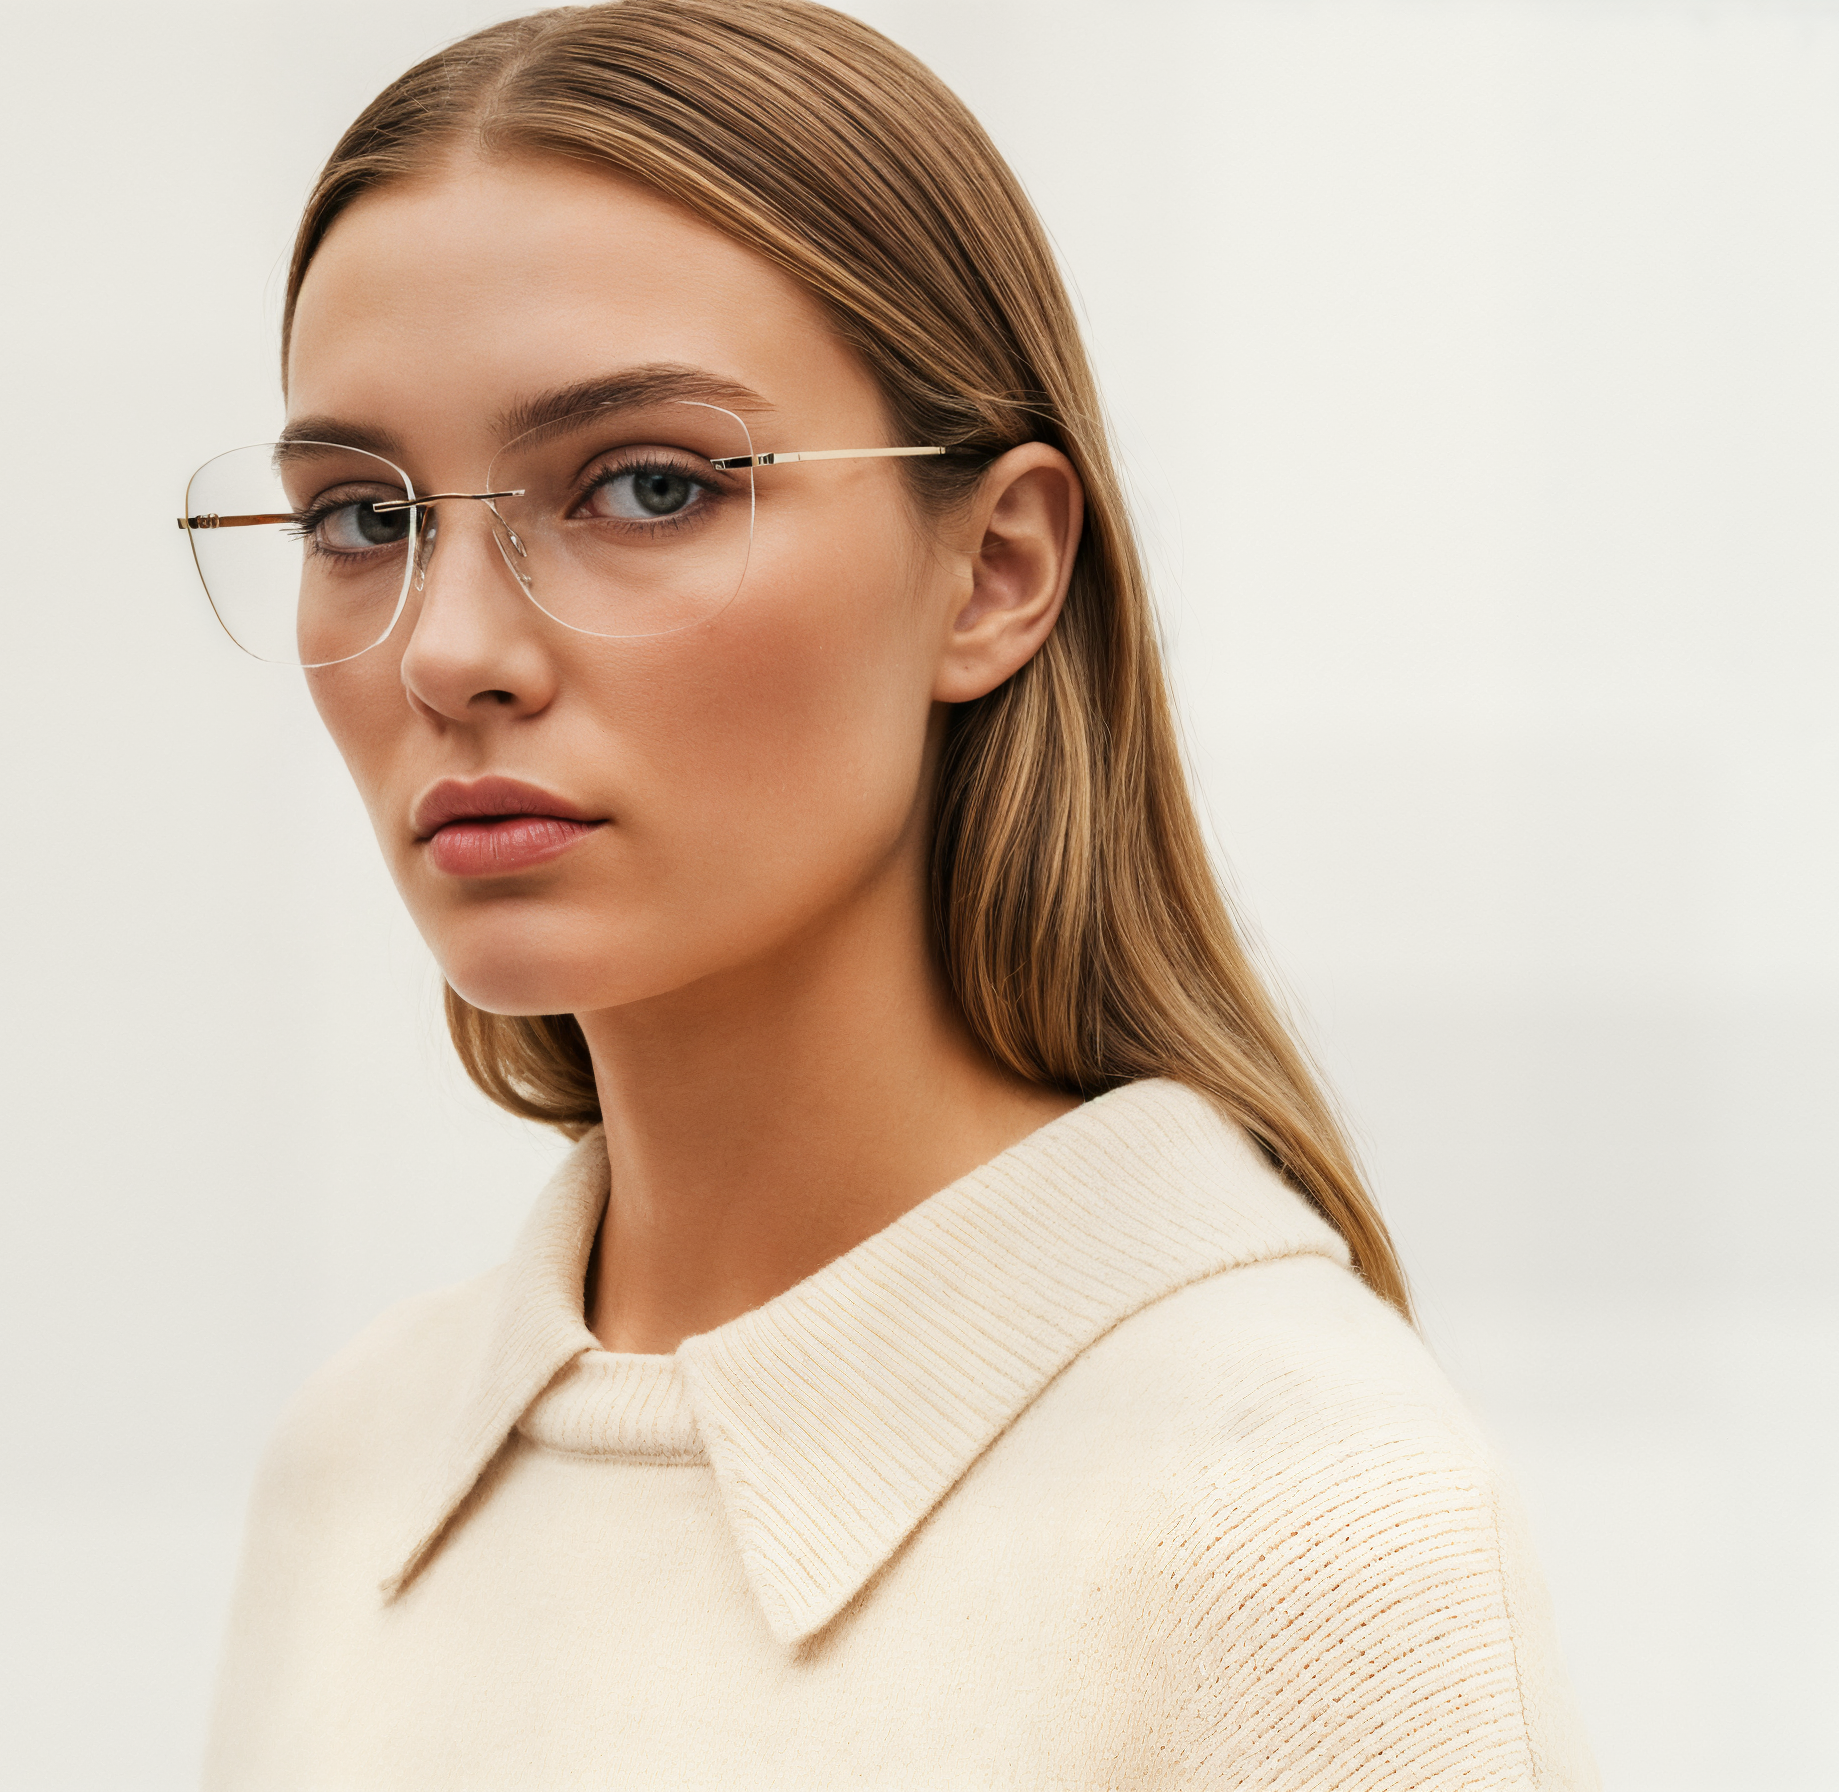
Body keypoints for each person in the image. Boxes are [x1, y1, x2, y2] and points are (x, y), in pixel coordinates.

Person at [184, 3, 1597, 1784]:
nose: (452, 651)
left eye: (645, 485)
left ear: (995, 569)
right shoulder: (360, 1472)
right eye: (362, 519)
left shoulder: (1291, 1515)